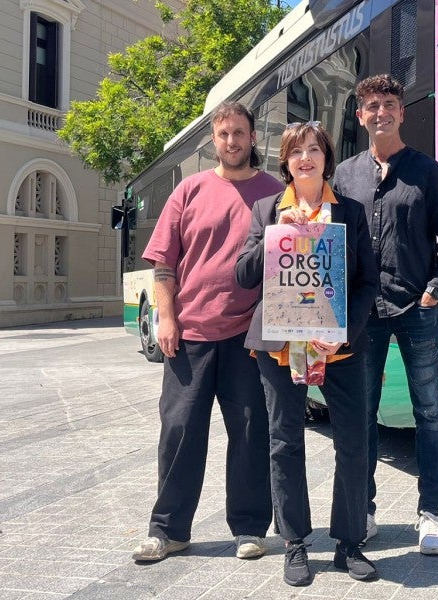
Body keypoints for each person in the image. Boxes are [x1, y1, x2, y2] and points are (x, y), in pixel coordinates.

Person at [130, 101, 284, 563]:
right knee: (179, 431)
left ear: (252, 137)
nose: (232, 141)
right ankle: (169, 530)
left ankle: (251, 527)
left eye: (240, 133)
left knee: (251, 431)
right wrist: (167, 318)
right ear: (213, 141)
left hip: (248, 337)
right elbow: (163, 264)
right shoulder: (189, 191)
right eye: (224, 134)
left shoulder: (274, 194)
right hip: (190, 335)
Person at [235, 122, 380, 586]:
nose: (305, 158)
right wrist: (279, 233)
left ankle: (350, 542)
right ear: (286, 161)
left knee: (354, 443)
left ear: (326, 158)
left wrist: (344, 332)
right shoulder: (265, 209)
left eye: (314, 150)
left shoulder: (351, 213)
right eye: (296, 151)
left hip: (338, 349)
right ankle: (295, 543)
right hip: (281, 347)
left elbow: (367, 284)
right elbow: (242, 274)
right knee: (284, 443)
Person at [333, 74, 438, 555]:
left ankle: (430, 514)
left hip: (416, 309)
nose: (381, 112)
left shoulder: (428, 173)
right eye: (372, 105)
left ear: (402, 112)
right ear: (360, 114)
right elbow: (331, 244)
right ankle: (363, 511)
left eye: (390, 103)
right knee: (362, 414)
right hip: (364, 315)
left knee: (429, 412)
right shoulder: (343, 175)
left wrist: (433, 291)